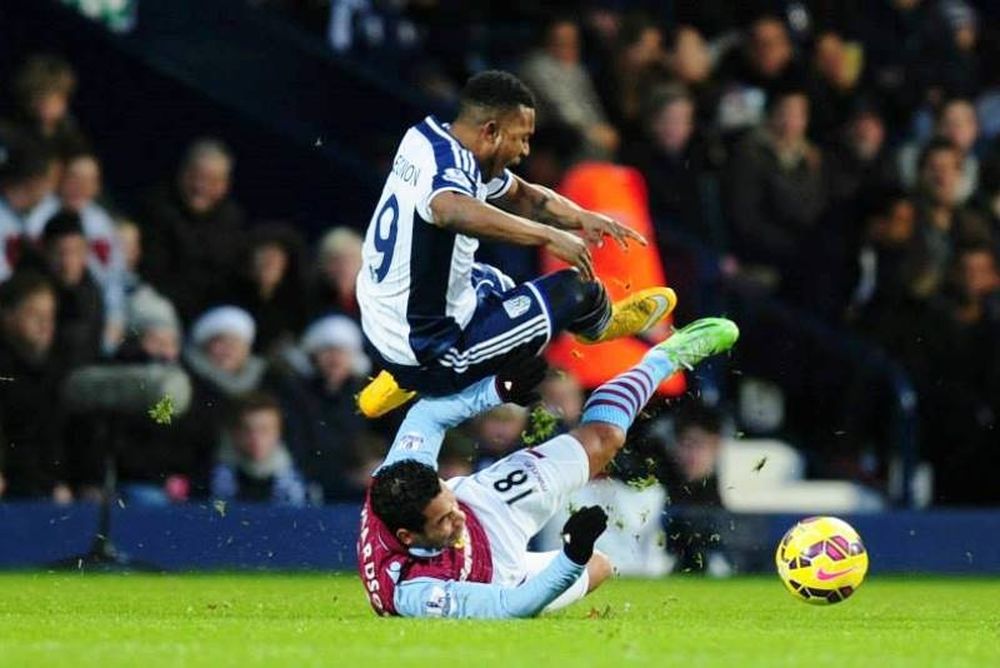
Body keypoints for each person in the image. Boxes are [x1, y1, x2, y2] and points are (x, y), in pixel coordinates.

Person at [358, 316, 738, 618]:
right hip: (495, 578)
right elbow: (509, 607)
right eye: (442, 520)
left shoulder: (403, 476)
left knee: (604, 439)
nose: (454, 518)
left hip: (488, 507)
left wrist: (498, 390)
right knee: (599, 566)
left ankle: (662, 359)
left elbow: (427, 414)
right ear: (408, 537)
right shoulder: (415, 591)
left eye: (446, 498)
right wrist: (573, 556)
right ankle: (570, 567)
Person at [356, 70, 675, 419]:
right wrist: (548, 235)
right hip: (435, 354)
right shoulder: (453, 179)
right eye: (521, 139)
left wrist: (581, 217)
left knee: (495, 282)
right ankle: (599, 322)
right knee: (574, 288)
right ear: (490, 131)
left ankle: (399, 375)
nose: (524, 151)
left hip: (381, 322)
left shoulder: (425, 139)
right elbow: (449, 209)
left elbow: (524, 195)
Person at [139, 138, 245, 323]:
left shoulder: (232, 219)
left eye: (212, 181)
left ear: (225, 185)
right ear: (182, 173)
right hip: (159, 305)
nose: (200, 187)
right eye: (196, 176)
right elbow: (153, 273)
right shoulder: (157, 207)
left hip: (208, 317)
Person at [0, 271, 71, 501]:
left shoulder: (60, 370)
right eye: (34, 315)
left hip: (49, 490)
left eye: (50, 316)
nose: (45, 325)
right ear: (8, 316)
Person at [210, 392, 307, 506]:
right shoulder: (210, 479)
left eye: (264, 430)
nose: (256, 439)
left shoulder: (302, 478)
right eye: (247, 430)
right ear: (234, 433)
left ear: (278, 433)